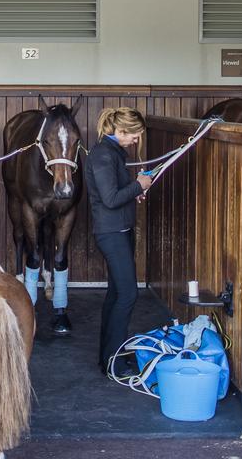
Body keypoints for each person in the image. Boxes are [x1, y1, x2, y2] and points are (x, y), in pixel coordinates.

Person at [85, 106, 153, 378]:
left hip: (119, 229)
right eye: (134, 135)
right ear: (120, 130)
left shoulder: (112, 152)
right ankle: (114, 361)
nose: (136, 140)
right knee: (127, 294)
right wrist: (139, 185)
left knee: (116, 294)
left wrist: (134, 191)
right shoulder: (102, 154)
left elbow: (114, 193)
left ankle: (109, 358)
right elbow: (111, 199)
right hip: (111, 233)